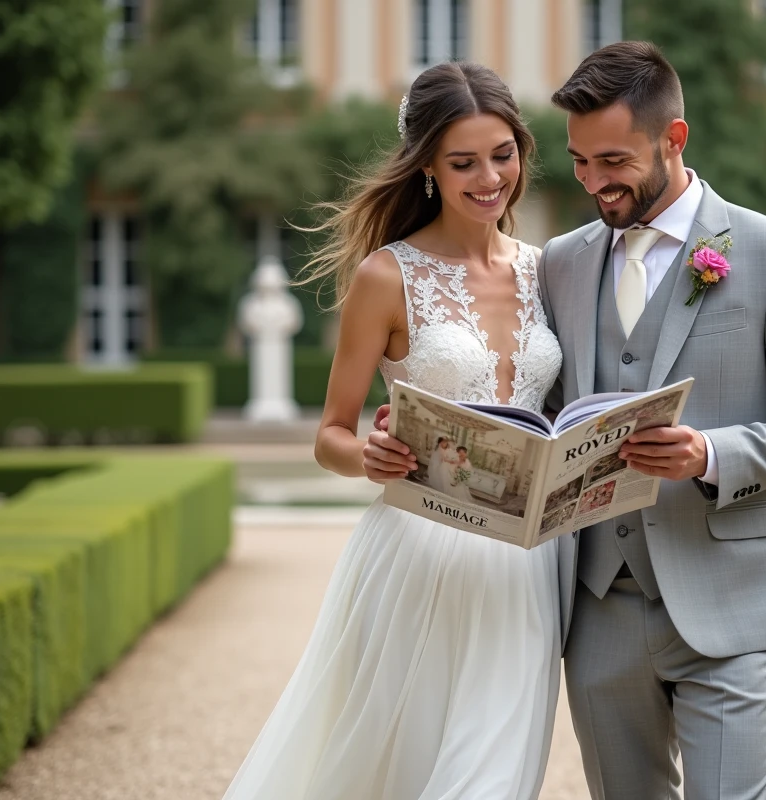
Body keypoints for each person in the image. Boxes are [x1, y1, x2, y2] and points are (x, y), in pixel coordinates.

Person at [221, 60, 563, 800]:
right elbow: (331, 435)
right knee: (394, 775)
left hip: (528, 568)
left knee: (496, 778)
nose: (489, 178)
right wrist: (369, 456)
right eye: (463, 162)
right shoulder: (387, 277)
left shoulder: (551, 271)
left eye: (502, 155)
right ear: (429, 170)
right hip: (419, 557)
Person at [538, 42, 766, 800]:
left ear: (673, 138)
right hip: (600, 608)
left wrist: (711, 452)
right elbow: (545, 411)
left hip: (733, 600)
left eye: (612, 160)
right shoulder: (560, 260)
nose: (594, 182)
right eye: (580, 162)